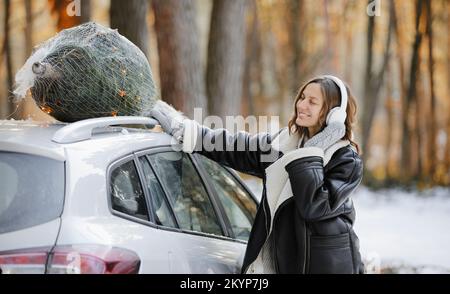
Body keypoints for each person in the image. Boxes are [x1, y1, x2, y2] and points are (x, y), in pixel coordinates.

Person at [150, 75, 364, 274]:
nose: (301, 105)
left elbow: (315, 206)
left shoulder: (346, 159)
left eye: (312, 102)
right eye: (302, 97)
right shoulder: (285, 144)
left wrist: (315, 147)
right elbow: (237, 147)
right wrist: (187, 131)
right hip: (280, 262)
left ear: (334, 113)